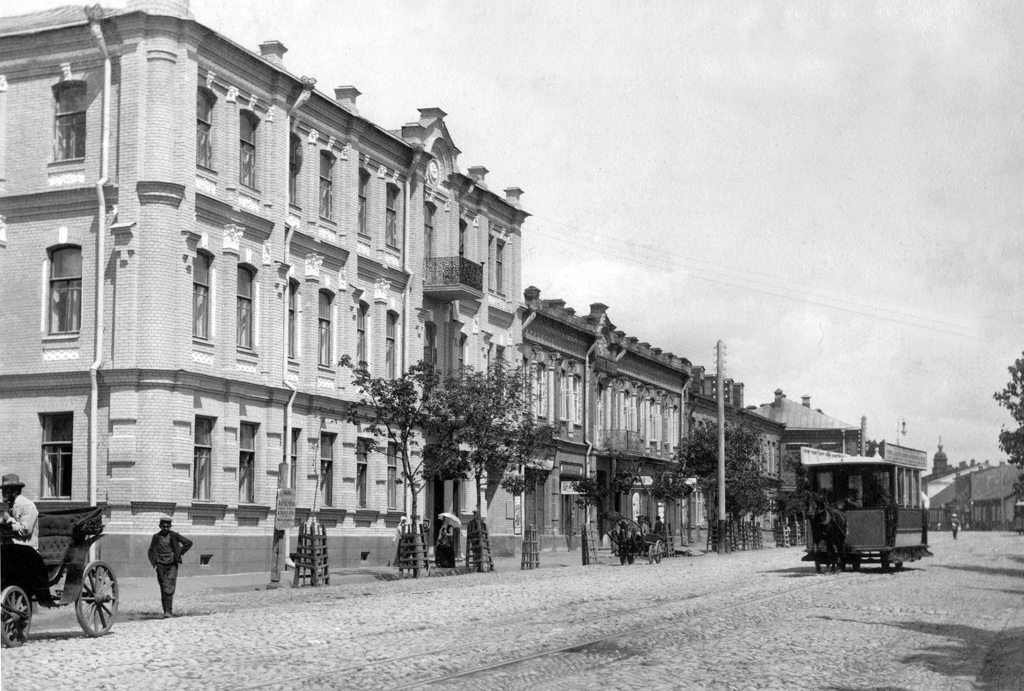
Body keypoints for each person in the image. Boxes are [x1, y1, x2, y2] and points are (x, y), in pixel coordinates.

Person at [0, 473, 55, 607]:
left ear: (14, 491)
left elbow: (25, 530)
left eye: (5, 490)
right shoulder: (11, 506)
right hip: (14, 549)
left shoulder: (28, 506)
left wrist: (8, 520)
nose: (2, 493)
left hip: (27, 551)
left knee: (6, 551)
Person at [147, 515, 192, 618]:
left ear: (170, 526)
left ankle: (169, 611)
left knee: (170, 586)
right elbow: (151, 550)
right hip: (161, 565)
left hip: (172, 564)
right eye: (164, 526)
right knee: (163, 586)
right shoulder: (156, 537)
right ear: (160, 526)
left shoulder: (174, 535)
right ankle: (165, 611)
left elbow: (188, 543)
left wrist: (179, 553)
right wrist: (155, 561)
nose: (166, 528)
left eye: (168, 526)